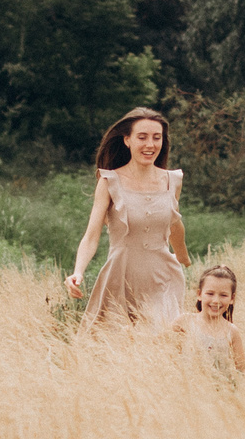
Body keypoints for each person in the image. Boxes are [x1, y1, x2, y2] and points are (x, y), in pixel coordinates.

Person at [66, 108, 187, 330]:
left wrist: (183, 257)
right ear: (127, 140)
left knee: (162, 343)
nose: (150, 145)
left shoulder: (173, 180)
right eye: (142, 137)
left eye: (156, 138)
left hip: (163, 278)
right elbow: (91, 236)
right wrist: (78, 271)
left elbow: (175, 223)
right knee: (114, 348)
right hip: (120, 277)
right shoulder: (109, 181)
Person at [175, 264, 245, 374]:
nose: (216, 300)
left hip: (220, 389)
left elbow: (243, 368)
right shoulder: (184, 321)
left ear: (232, 298)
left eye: (223, 295)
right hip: (187, 388)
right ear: (199, 294)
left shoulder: (231, 331)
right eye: (210, 293)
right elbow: (161, 351)